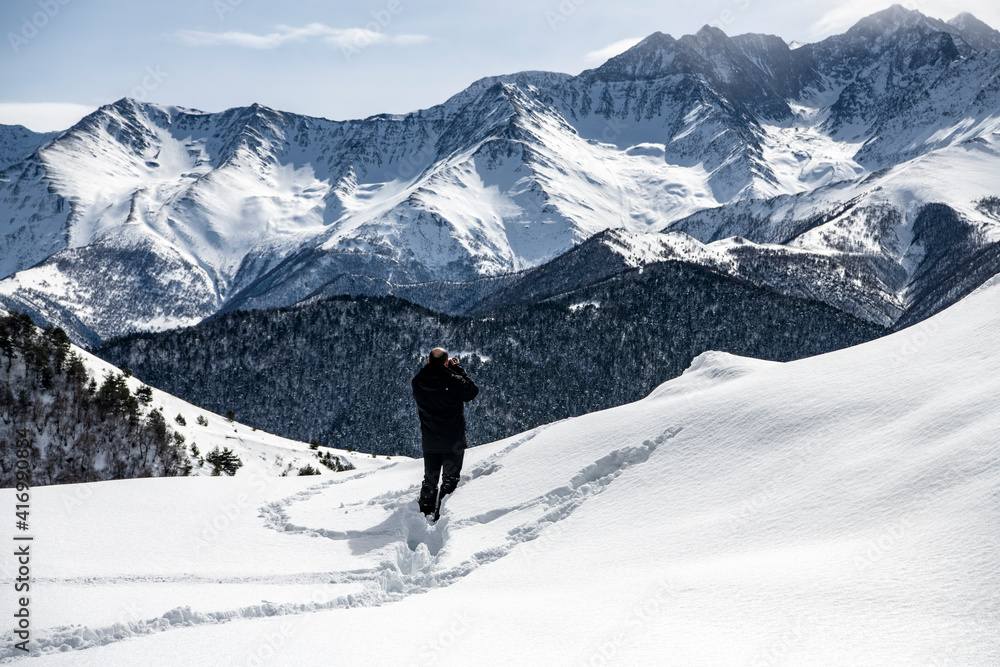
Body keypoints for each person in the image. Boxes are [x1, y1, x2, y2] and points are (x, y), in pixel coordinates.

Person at [411, 347, 479, 520]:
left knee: (430, 480)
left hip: (430, 440)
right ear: (446, 362)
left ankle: (424, 514)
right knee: (450, 481)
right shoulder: (453, 380)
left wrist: (438, 367)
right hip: (452, 440)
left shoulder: (418, 381)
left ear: (428, 361)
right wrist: (457, 369)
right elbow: (472, 391)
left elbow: (428, 375)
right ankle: (443, 517)